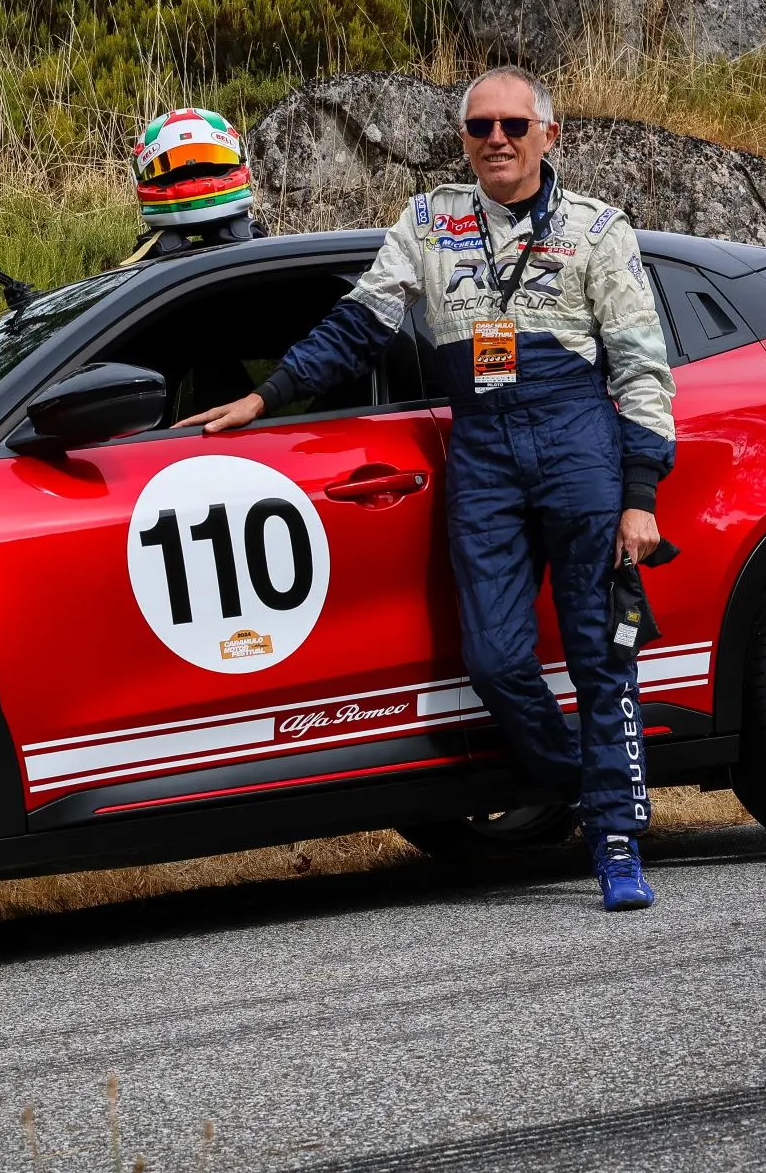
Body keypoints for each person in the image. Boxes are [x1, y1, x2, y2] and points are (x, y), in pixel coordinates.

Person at [174, 66, 676, 912]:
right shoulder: (429, 219)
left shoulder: (597, 230)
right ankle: (590, 785)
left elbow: (641, 368)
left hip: (575, 440)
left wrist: (640, 491)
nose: (497, 140)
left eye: (515, 125)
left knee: (599, 651)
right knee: (495, 658)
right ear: (464, 138)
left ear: (549, 135)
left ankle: (617, 844)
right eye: (480, 127)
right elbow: (360, 323)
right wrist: (268, 396)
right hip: (479, 445)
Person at [120, 107, 267, 264]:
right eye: (174, 169)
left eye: (208, 164)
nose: (195, 179)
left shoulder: (144, 272)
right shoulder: (266, 255)